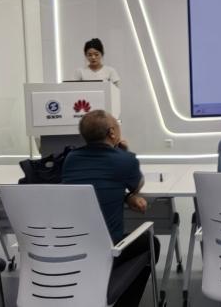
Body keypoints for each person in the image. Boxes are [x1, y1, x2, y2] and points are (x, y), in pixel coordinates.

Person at [61, 110, 159, 307]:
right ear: (112, 133)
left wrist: (123, 197)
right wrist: (124, 153)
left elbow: (92, 189)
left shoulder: (70, 158)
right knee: (152, 243)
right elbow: (137, 185)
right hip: (107, 250)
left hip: (71, 247)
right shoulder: (123, 160)